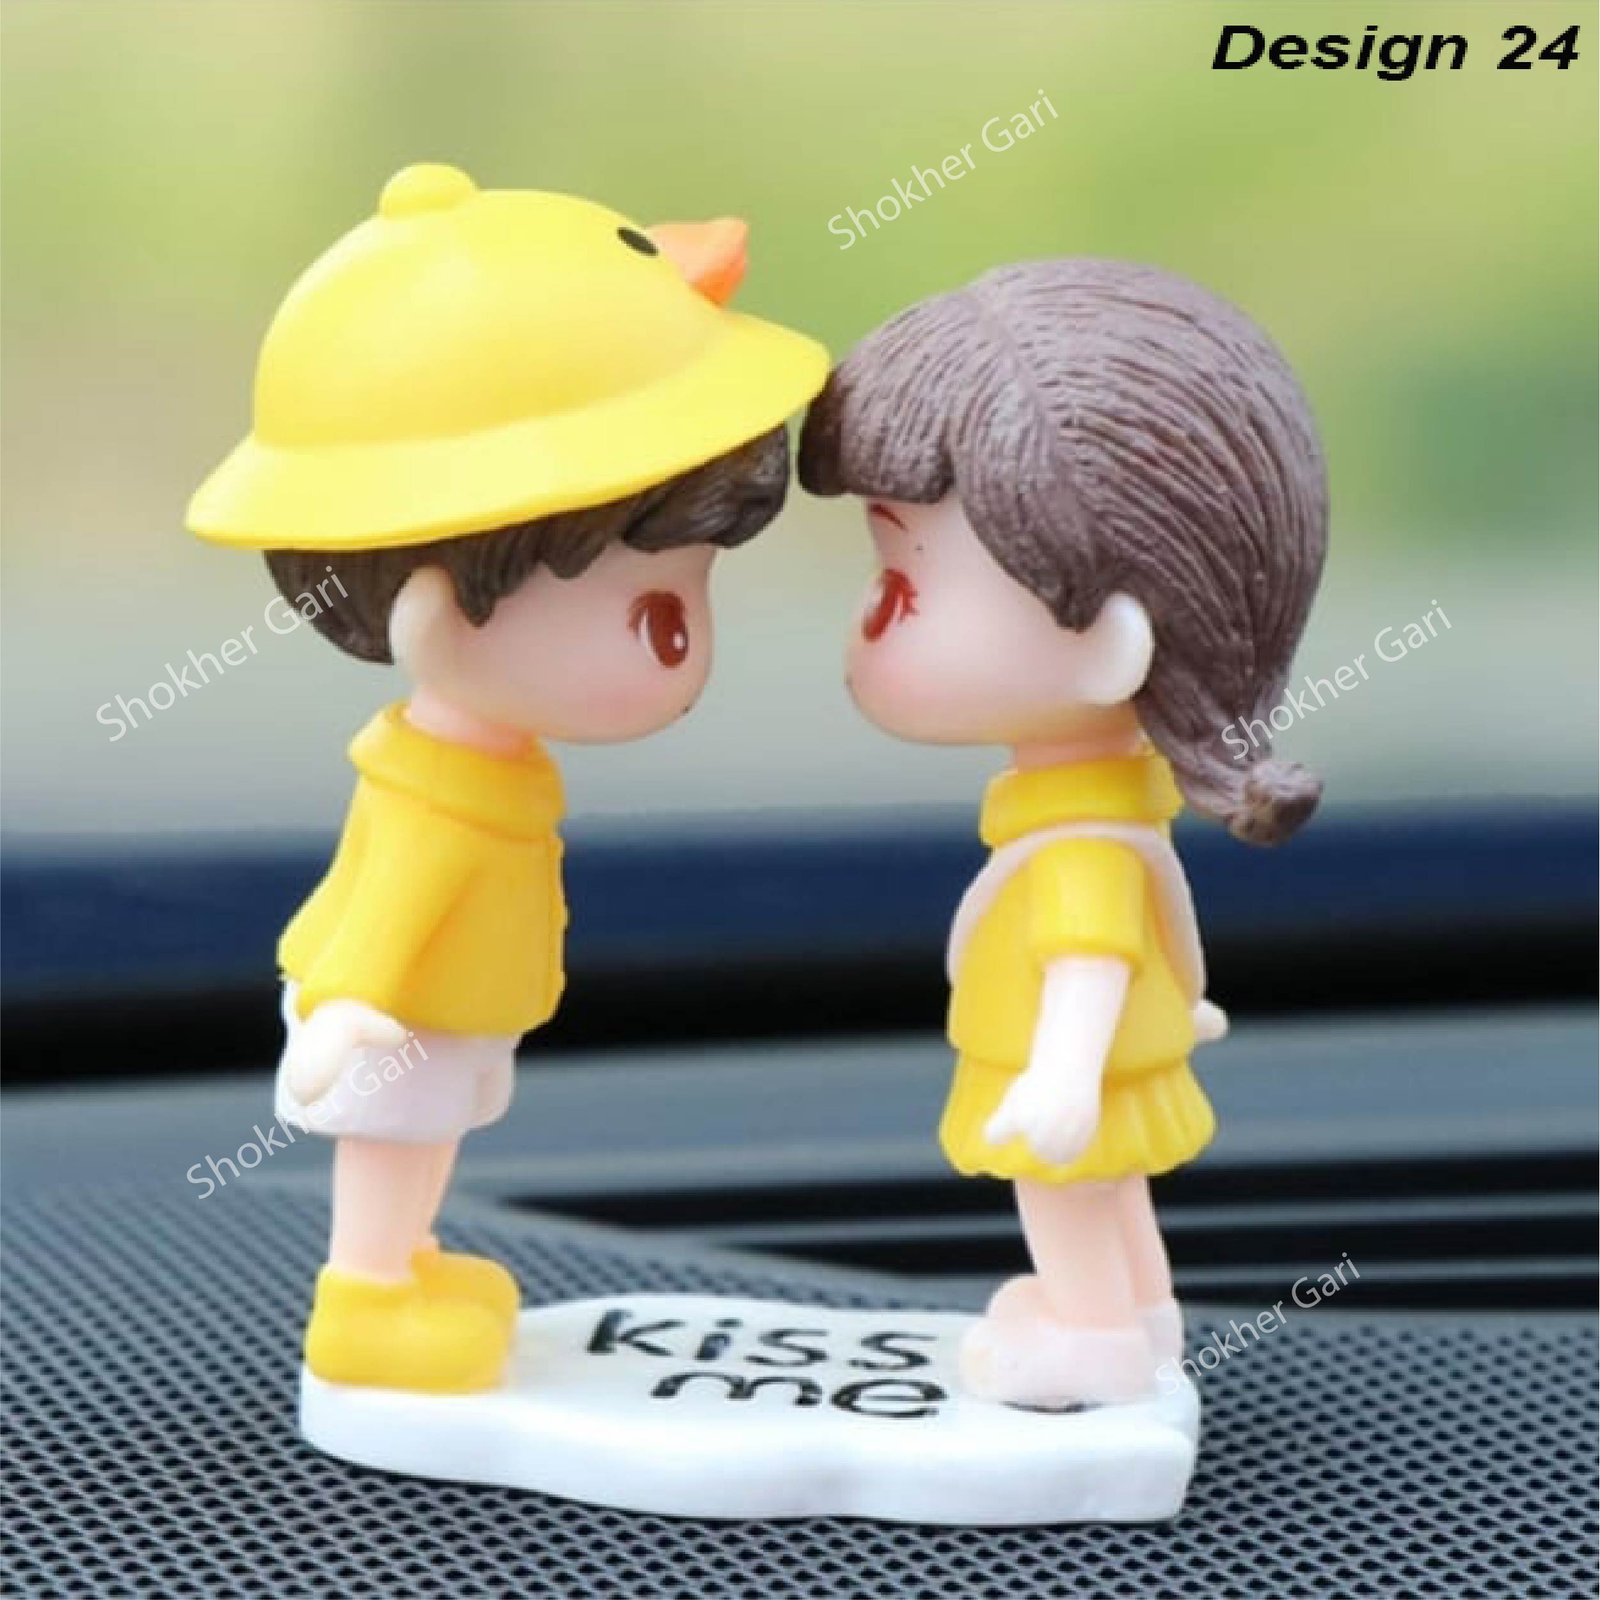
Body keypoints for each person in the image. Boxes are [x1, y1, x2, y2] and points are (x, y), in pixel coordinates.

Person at [188, 163, 826, 1392]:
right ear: (439, 620)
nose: (691, 656)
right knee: (391, 1140)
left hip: (452, 1008)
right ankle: (365, 1299)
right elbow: (390, 899)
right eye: (658, 617)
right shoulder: (434, 793)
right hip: (394, 1013)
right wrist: (351, 1007)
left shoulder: (486, 766)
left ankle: (406, 1266)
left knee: (425, 1139)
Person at [799, 257, 1326, 1406]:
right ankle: (1142, 1315)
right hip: (1095, 1053)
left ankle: (1091, 1339)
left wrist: (1063, 1075)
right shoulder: (1107, 820)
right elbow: (1149, 923)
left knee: (1067, 1188)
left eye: (901, 587)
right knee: (1113, 1189)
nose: (865, 620)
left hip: (1060, 1066)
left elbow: (1089, 949)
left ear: (1105, 649)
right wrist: (1174, 1006)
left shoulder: (1081, 843)